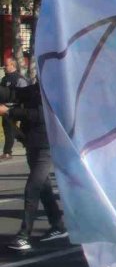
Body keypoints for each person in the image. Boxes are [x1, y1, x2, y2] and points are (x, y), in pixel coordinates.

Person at [1, 83, 67, 251]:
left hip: (46, 145)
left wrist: (9, 112)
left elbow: (41, 115)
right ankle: (58, 225)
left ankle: (24, 235)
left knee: (32, 188)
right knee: (43, 187)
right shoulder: (36, 87)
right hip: (31, 142)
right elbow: (14, 93)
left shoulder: (57, 89)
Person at [0, 57, 28, 160]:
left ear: (13, 65)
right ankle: (26, 142)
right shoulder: (4, 79)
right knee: (9, 127)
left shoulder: (19, 79)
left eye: (6, 65)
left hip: (15, 107)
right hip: (4, 106)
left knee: (9, 126)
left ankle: (7, 152)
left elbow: (24, 95)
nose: (4, 67)